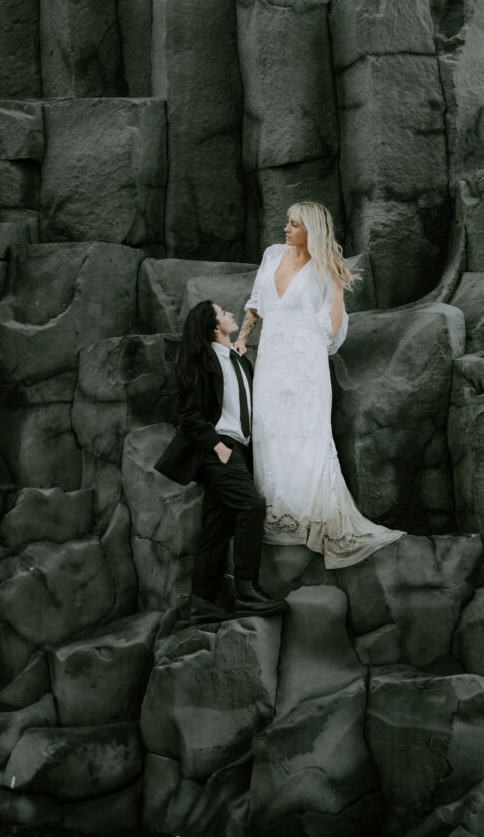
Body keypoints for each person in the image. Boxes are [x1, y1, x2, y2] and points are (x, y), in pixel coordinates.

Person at [232, 201, 404, 567]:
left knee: (305, 435)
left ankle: (312, 515)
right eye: (287, 222)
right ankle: (280, 516)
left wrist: (338, 289)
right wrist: (244, 337)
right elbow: (256, 304)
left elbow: (331, 331)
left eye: (294, 224)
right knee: (269, 430)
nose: (286, 228)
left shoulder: (325, 268)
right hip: (271, 360)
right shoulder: (272, 254)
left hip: (304, 361)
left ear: (312, 230)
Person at [155, 300, 288, 625]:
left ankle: (201, 600)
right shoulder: (203, 361)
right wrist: (219, 448)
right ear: (214, 326)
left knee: (216, 526)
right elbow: (190, 415)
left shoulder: (240, 360)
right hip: (218, 448)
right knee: (250, 508)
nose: (231, 314)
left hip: (239, 449)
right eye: (223, 313)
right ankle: (246, 591)